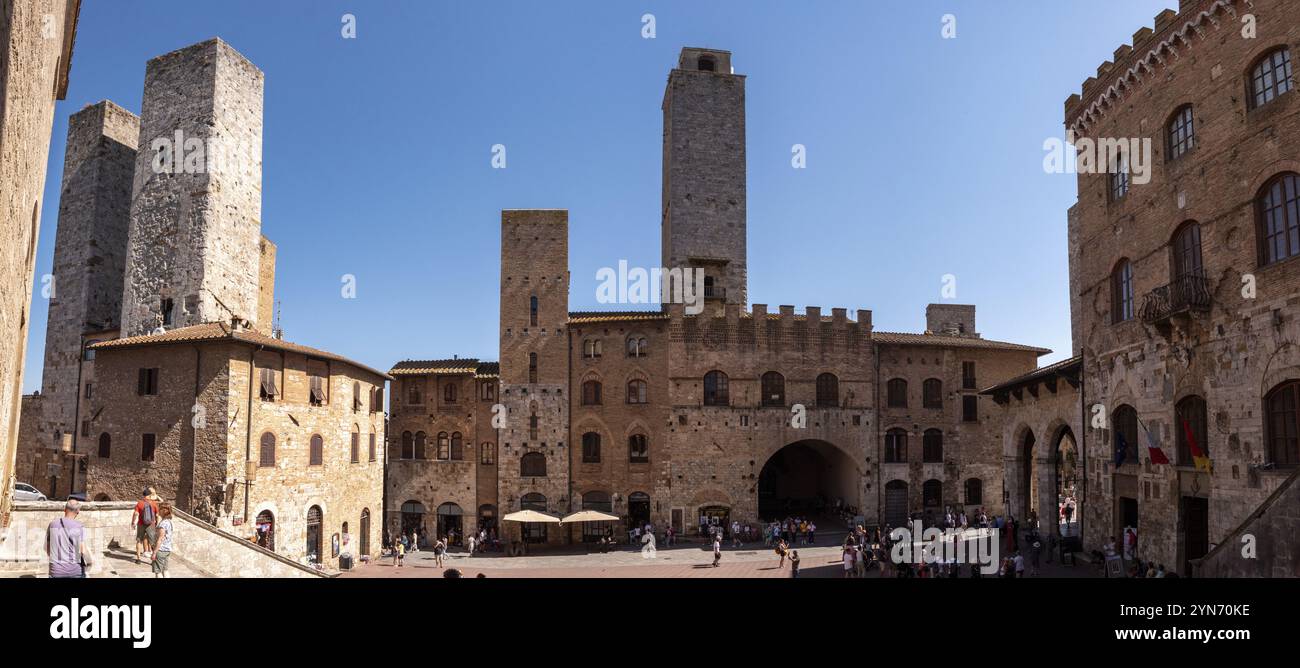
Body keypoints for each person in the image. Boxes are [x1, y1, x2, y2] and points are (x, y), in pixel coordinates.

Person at [46, 499, 92, 578]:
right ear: (78, 512)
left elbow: (48, 551)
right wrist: (90, 563)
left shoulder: (52, 524)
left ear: (65, 509)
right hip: (75, 571)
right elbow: (82, 551)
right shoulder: (78, 526)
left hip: (56, 572)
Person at [131, 488, 159, 564]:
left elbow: (136, 514)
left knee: (139, 540)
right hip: (151, 524)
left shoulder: (139, 503)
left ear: (143, 495)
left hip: (141, 524)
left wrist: (133, 522)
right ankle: (154, 560)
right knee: (153, 542)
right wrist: (157, 524)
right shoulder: (153, 503)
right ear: (150, 495)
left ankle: (138, 559)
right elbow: (157, 515)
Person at [152, 503, 175, 578]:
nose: (158, 510)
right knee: (165, 570)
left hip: (160, 550)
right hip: (167, 549)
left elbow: (160, 538)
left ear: (163, 511)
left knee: (158, 572)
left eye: (160, 509)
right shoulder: (169, 521)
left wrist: (154, 552)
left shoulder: (163, 524)